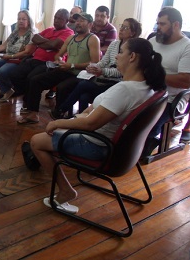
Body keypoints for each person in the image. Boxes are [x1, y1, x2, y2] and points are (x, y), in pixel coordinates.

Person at [30, 38, 166, 213]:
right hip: (115, 146)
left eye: (121, 52)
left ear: (132, 57)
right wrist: (80, 117)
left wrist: (57, 123)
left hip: (96, 145)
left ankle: (65, 191)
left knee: (36, 142)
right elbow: (95, 113)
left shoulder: (125, 90)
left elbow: (90, 124)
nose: (116, 56)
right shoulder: (146, 87)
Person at [17, 12, 100, 124]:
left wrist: (72, 65)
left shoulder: (93, 39)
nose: (78, 23)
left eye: (82, 21)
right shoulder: (71, 38)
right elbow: (59, 54)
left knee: (62, 87)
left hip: (81, 74)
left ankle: (59, 115)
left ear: (90, 24)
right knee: (35, 80)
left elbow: (95, 61)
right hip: (66, 69)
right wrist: (59, 60)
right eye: (77, 21)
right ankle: (33, 114)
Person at [52, 17, 142, 119]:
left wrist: (102, 71)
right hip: (104, 79)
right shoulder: (114, 44)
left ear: (133, 33)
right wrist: (93, 67)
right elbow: (103, 61)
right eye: (122, 26)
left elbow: (121, 72)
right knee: (84, 95)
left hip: (116, 83)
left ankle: (61, 110)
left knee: (82, 85)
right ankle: (79, 119)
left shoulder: (132, 50)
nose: (121, 29)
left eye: (126, 28)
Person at [142, 7, 190, 157]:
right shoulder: (153, 41)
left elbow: (186, 81)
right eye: (157, 23)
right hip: (145, 92)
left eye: (162, 24)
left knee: (146, 128)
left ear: (176, 25)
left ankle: (148, 143)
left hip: (170, 99)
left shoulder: (189, 47)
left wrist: (156, 75)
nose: (158, 28)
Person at [8, 9, 75, 99]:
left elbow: (53, 45)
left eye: (60, 19)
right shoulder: (49, 30)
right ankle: (24, 91)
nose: (56, 21)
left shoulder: (68, 32)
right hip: (35, 59)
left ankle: (29, 100)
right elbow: (35, 37)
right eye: (55, 18)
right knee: (14, 73)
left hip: (49, 63)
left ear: (66, 21)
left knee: (31, 78)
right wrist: (49, 44)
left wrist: (46, 44)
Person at [0, 10, 36, 102]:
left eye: (23, 19)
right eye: (19, 19)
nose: (21, 21)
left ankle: (11, 89)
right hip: (8, 57)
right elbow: (3, 45)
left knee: (2, 71)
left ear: (29, 21)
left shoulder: (31, 34)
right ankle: (7, 89)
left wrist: (11, 56)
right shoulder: (15, 32)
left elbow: (27, 52)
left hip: (19, 59)